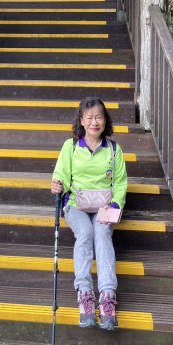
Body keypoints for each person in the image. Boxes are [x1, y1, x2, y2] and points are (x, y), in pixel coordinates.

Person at [50, 96, 127, 330]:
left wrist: (114, 206)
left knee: (102, 233)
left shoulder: (113, 149)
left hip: (105, 206)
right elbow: (61, 174)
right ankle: (84, 295)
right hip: (76, 204)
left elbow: (121, 183)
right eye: (90, 117)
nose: (95, 122)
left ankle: (106, 297)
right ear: (81, 121)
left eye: (99, 117)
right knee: (85, 233)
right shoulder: (70, 146)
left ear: (105, 120)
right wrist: (56, 184)